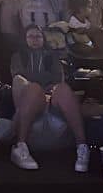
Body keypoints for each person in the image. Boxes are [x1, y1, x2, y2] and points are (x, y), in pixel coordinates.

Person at [8, 25, 91, 173]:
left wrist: (47, 90)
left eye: (38, 36)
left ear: (43, 39)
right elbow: (18, 76)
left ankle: (82, 146)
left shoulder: (52, 56)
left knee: (63, 89)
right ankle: (20, 146)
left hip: (51, 99)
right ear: (25, 39)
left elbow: (57, 79)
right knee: (32, 88)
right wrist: (40, 86)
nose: (35, 40)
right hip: (29, 100)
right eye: (31, 36)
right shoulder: (18, 56)